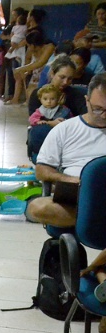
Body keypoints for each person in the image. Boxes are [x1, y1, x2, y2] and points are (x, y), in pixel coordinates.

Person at [27, 73, 106, 227]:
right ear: (87, 101)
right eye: (98, 109)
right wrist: (75, 181)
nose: (104, 115)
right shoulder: (65, 129)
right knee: (37, 207)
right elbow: (41, 170)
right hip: (77, 200)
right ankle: (94, 221)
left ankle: (92, 223)